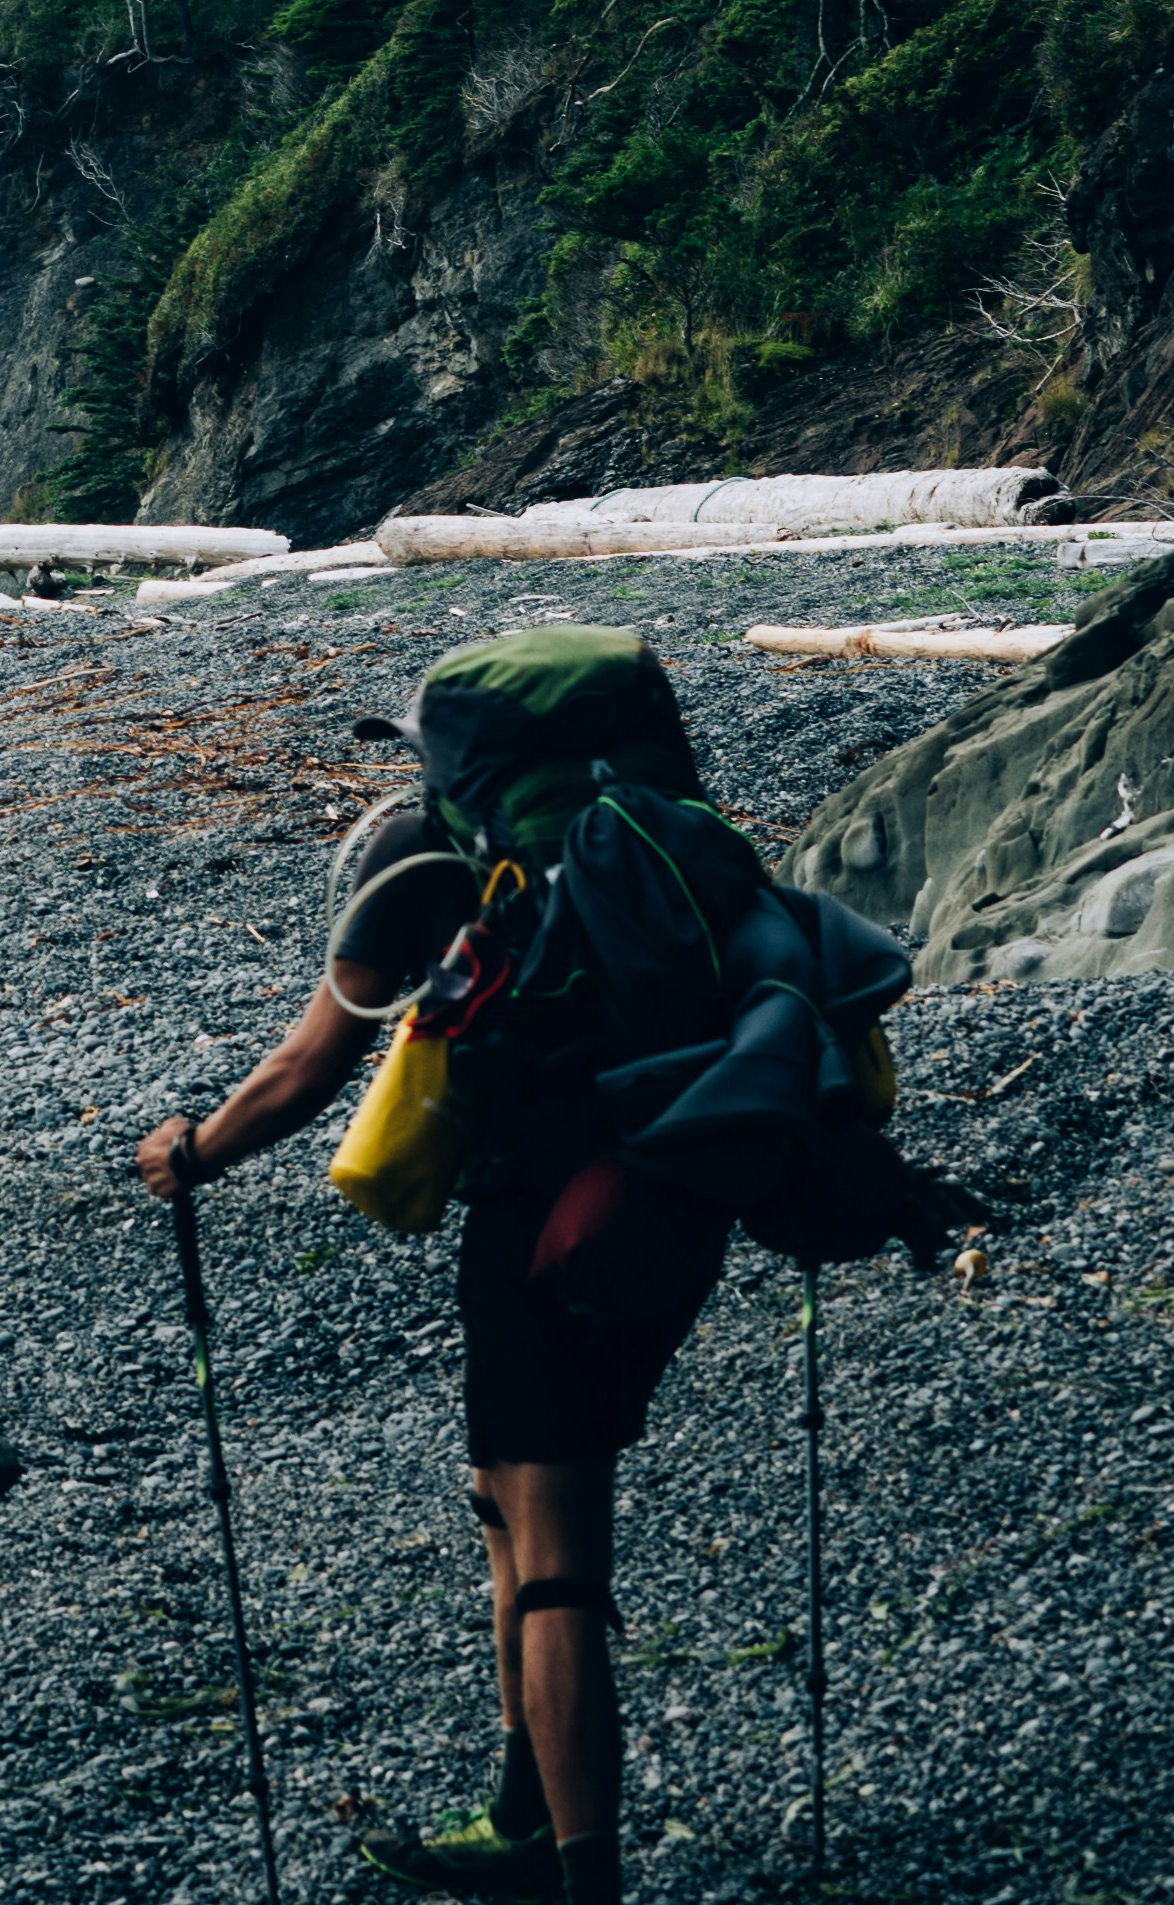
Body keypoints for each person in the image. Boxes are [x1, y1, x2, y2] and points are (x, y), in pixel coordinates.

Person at [136, 783, 721, 1905]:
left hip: (540, 1231)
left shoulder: (418, 854)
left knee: (554, 1556)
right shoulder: (642, 828)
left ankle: (577, 1874)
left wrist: (193, 1151)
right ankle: (517, 1817)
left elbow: (308, 1066)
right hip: (674, 1195)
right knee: (502, 1498)